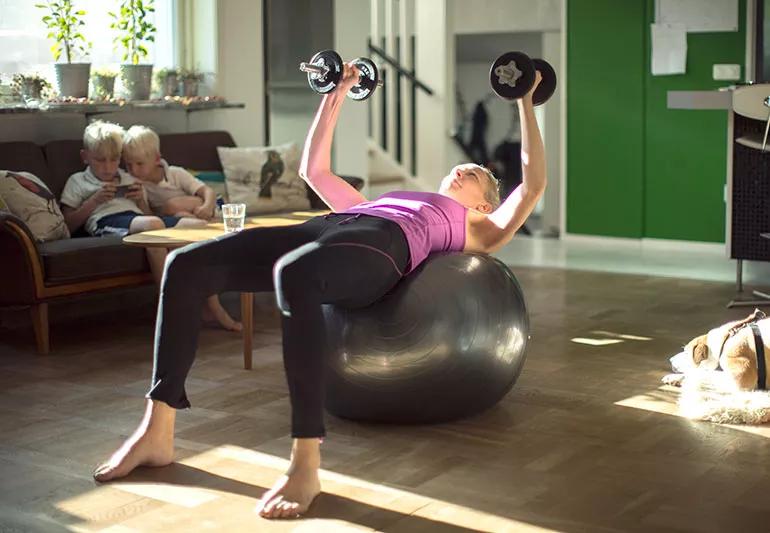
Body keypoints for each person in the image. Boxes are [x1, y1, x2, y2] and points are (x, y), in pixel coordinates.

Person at [92, 63, 546, 520]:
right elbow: (314, 170)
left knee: (296, 275)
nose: (467, 166)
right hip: (333, 225)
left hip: (381, 247)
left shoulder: (478, 228)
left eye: (479, 174)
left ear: (486, 204)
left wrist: (525, 100)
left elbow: (531, 185)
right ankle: (158, 429)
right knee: (186, 264)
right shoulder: (393, 198)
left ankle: (305, 461)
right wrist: (338, 93)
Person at [121, 125, 241, 332]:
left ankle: (211, 308)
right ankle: (210, 308)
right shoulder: (139, 185)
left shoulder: (175, 173)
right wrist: (141, 200)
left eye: (139, 164)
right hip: (184, 221)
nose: (133, 170)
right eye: (129, 164)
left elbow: (207, 192)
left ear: (157, 159)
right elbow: (151, 216)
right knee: (178, 217)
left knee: (173, 207)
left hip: (212, 211)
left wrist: (205, 207)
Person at [60, 121, 204, 285]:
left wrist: (140, 200)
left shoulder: (129, 178)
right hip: (106, 220)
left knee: (198, 226)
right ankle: (167, 302)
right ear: (85, 156)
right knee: (153, 223)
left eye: (114, 160)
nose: (108, 167)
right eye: (100, 160)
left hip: (139, 219)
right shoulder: (78, 181)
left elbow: (148, 214)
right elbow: (66, 226)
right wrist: (94, 202)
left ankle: (205, 303)